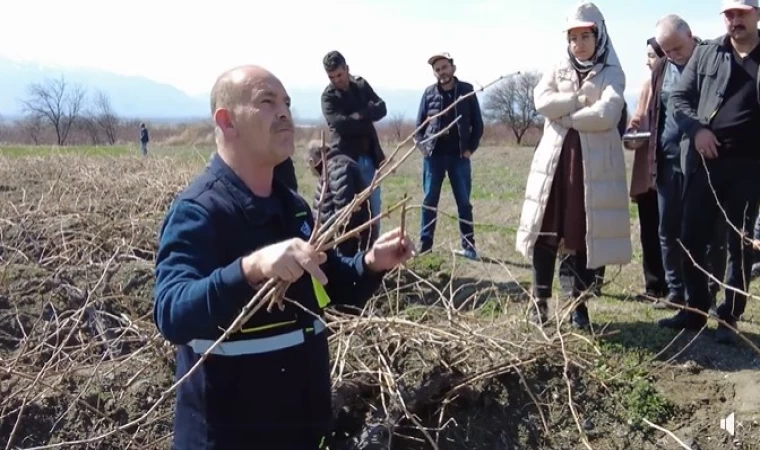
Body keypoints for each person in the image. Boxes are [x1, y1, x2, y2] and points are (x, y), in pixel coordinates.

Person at [152, 64, 414, 449]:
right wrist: (250, 269)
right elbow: (171, 313)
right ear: (226, 121)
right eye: (267, 102)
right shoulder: (200, 211)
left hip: (301, 430)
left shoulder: (291, 207)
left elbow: (331, 287)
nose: (284, 112)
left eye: (287, 103)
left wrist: (371, 264)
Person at [515, 1, 632, 329]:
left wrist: (563, 116)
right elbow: (541, 101)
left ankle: (578, 306)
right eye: (572, 38)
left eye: (585, 36)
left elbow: (607, 114)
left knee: (582, 234)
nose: (578, 44)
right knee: (545, 230)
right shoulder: (557, 65)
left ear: (599, 36)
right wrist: (578, 101)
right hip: (554, 163)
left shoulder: (613, 71)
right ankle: (539, 302)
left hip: (591, 167)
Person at [662, 0, 760, 345]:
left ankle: (730, 315)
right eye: (729, 15)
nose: (735, 21)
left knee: (740, 243)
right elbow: (678, 98)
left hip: (750, 166)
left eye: (742, 14)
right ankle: (695, 310)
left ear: (757, 13)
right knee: (690, 236)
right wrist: (698, 130)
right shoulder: (707, 54)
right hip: (705, 162)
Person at [630, 16, 727, 312]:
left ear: (691, 36)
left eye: (677, 48)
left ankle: (707, 295)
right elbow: (653, 112)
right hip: (667, 162)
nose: (673, 55)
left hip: (704, 164)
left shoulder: (713, 62)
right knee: (667, 228)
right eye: (666, 50)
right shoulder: (661, 68)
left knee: (707, 233)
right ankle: (676, 291)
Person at [415, 52, 484, 259]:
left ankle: (469, 247)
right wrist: (423, 147)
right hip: (433, 156)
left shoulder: (466, 91)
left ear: (452, 68)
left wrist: (470, 149)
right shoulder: (428, 93)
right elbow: (419, 125)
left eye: (444, 67)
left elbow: (478, 125)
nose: (441, 72)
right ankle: (425, 247)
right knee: (429, 201)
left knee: (463, 203)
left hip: (459, 157)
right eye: (437, 69)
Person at [321, 51, 387, 242]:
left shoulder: (361, 85)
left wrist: (359, 115)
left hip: (368, 157)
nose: (336, 80)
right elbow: (339, 124)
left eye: (339, 75)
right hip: (344, 161)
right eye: (331, 77)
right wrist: (366, 115)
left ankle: (375, 255)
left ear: (347, 69)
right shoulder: (328, 97)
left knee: (374, 209)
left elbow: (381, 108)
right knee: (348, 211)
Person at [624, 37, 669, 302]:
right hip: (646, 171)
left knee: (671, 231)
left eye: (652, 55)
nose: (647, 61)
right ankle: (654, 287)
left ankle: (676, 288)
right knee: (649, 230)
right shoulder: (646, 86)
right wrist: (632, 132)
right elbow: (638, 117)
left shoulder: (677, 85)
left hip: (669, 170)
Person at [307, 139, 373, 259]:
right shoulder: (335, 164)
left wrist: (337, 240)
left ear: (312, 161)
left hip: (343, 242)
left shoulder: (337, 166)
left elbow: (344, 209)